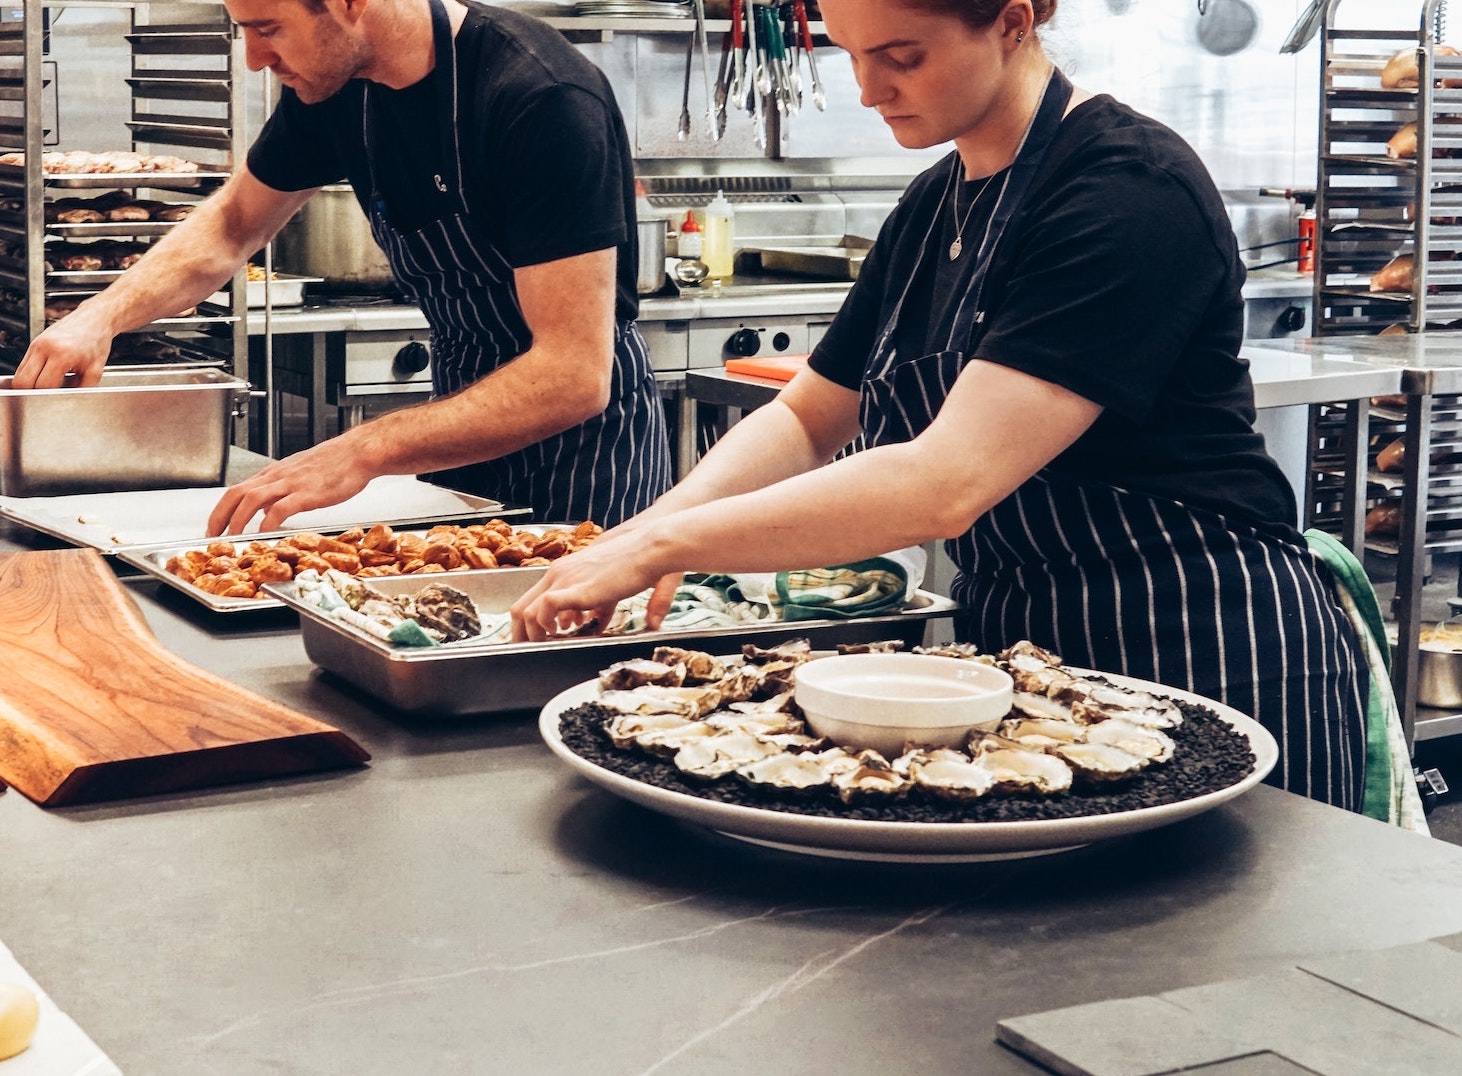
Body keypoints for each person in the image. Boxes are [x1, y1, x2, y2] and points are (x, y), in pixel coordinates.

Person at [512, 0, 1371, 810]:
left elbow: (944, 481)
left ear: (1012, 21)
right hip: (1027, 657)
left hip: (1202, 639)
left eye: (901, 56)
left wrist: (674, 543)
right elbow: (810, 416)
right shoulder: (933, 204)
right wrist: (639, 538)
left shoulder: (1127, 191)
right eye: (850, 53)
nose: (868, 88)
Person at [13, 0, 672, 533]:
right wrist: (100, 316)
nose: (253, 60)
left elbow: (572, 375)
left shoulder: (537, 96)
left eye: (268, 29)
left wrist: (360, 450)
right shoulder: (338, 91)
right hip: (462, 428)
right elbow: (231, 226)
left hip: (586, 461)